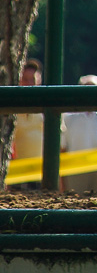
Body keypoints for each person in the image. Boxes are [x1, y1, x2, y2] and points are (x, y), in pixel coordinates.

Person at [10, 59, 45, 190]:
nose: (29, 83)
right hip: (15, 174)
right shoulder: (10, 108)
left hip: (41, 173)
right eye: (25, 79)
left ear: (39, 80)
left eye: (33, 79)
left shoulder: (48, 106)